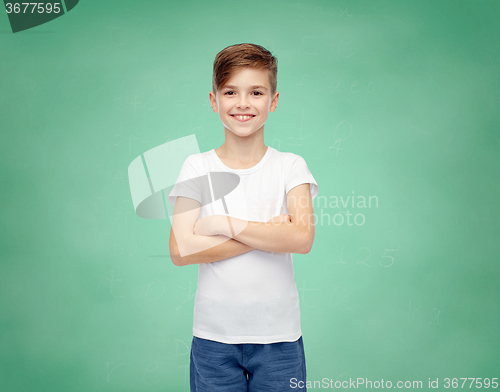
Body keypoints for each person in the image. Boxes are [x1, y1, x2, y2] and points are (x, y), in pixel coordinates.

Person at [168, 43, 318, 391]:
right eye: (231, 91)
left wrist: (224, 224)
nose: (243, 103)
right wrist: (267, 233)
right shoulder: (197, 167)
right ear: (213, 99)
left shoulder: (290, 166)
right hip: (213, 338)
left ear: (274, 100)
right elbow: (181, 250)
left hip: (280, 338)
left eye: (256, 92)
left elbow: (301, 239)